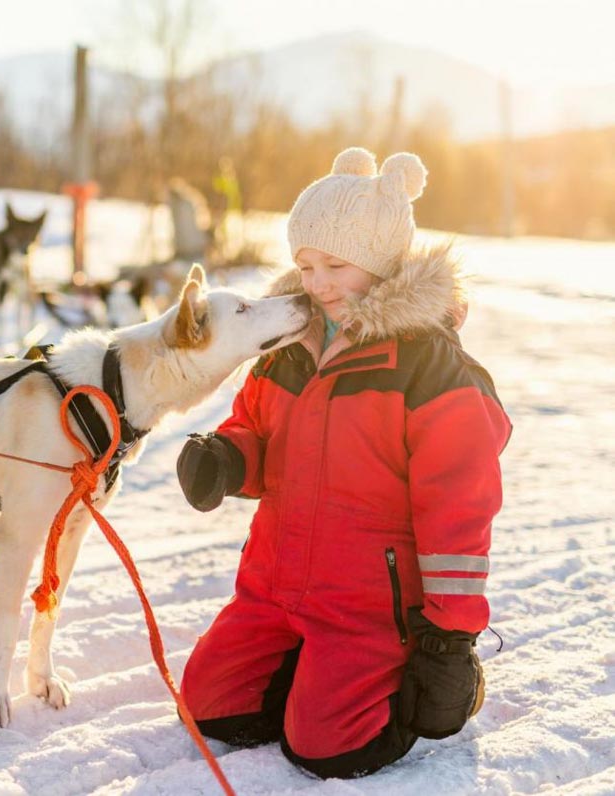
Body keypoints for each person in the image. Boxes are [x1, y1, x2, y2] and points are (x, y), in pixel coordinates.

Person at [176, 147, 512, 779]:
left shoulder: (428, 369)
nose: (317, 283)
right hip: (275, 585)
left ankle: (396, 681)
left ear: (381, 265)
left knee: (327, 748)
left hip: (368, 603)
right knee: (209, 705)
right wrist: (226, 457)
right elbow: (255, 428)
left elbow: (458, 511)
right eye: (305, 264)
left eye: (335, 264)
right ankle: (313, 675)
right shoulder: (288, 345)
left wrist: (449, 637)